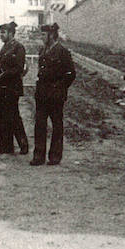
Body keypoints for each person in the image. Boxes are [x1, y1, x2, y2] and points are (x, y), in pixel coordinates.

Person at [31, 23, 76, 166]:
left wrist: (59, 87)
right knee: (39, 124)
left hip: (55, 95)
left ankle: (55, 156)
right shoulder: (42, 50)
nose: (41, 37)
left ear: (51, 35)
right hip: (42, 94)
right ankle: (39, 156)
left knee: (57, 125)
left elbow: (71, 74)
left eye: (43, 35)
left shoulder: (62, 52)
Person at [0, 21, 30, 155]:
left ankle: (23, 144)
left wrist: (3, 75)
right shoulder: (5, 47)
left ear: (11, 33)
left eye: (3, 32)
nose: (1, 35)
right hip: (2, 88)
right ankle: (5, 146)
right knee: (2, 117)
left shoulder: (18, 48)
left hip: (11, 88)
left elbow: (18, 68)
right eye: (1, 32)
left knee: (13, 116)